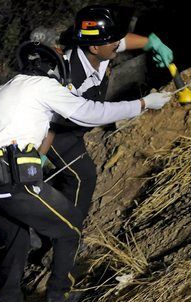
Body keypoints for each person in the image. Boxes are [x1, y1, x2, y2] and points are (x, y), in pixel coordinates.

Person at [0, 43, 171, 302]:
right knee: (69, 230)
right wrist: (144, 103)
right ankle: (58, 298)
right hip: (12, 182)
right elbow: (88, 112)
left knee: (15, 245)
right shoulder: (43, 86)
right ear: (53, 69)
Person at [41, 4, 174, 222]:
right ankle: (66, 231)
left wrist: (152, 43)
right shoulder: (71, 77)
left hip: (73, 127)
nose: (117, 44)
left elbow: (122, 42)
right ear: (94, 47)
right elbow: (57, 119)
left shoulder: (97, 49)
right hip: (57, 134)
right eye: (112, 40)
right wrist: (41, 155)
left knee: (75, 176)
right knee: (82, 177)